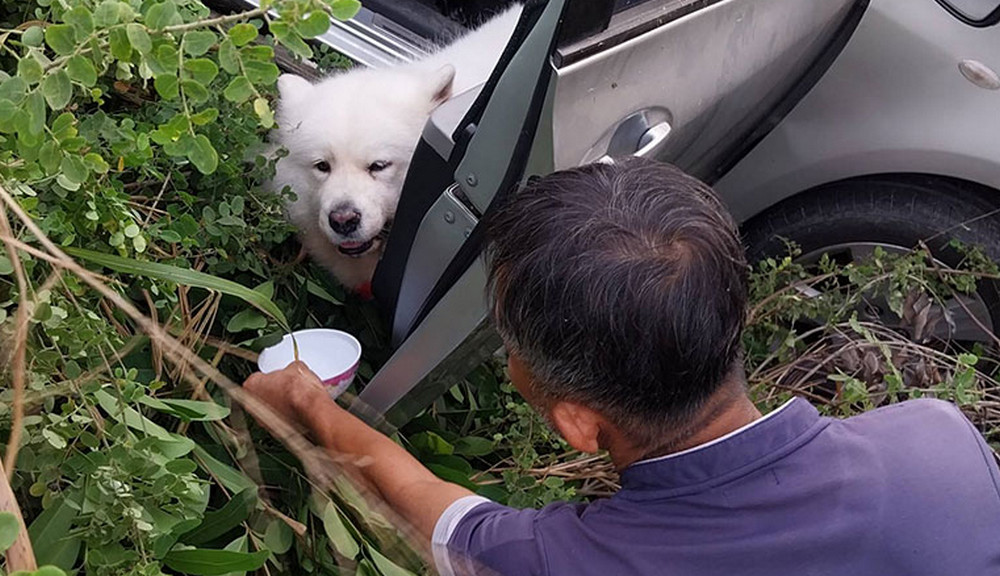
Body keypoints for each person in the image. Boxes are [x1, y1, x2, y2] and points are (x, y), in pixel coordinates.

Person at [243, 158, 1000, 576]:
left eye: (510, 347)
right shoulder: (939, 440)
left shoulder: (561, 563)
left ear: (577, 424)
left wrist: (309, 405)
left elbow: (426, 504)